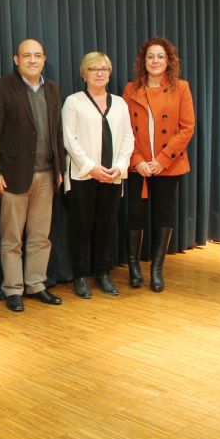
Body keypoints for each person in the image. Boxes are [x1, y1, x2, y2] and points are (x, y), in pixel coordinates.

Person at [0, 39, 65, 312]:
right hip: (13, 175)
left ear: (44, 59)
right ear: (16, 59)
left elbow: (57, 133)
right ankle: (13, 289)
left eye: (38, 55)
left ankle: (36, 283)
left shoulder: (53, 89)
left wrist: (60, 171)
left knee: (41, 236)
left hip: (46, 175)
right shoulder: (1, 87)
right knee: (12, 238)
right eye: (27, 55)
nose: (33, 60)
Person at [122, 37, 195, 292]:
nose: (155, 61)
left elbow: (187, 128)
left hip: (168, 165)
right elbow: (125, 130)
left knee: (163, 214)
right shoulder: (131, 89)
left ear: (168, 61)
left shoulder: (181, 88)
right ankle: (133, 266)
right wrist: (138, 160)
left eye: (160, 56)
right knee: (135, 214)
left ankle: (156, 269)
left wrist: (161, 161)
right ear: (143, 61)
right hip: (138, 166)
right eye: (150, 56)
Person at [62, 52, 134, 298]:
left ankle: (103, 273)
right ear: (84, 74)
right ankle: (81, 276)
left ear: (110, 72)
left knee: (107, 226)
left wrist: (120, 165)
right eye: (93, 69)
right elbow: (69, 139)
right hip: (84, 175)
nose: (99, 73)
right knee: (82, 226)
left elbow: (128, 137)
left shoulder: (120, 103)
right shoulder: (73, 102)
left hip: (113, 175)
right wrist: (91, 166)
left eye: (104, 69)